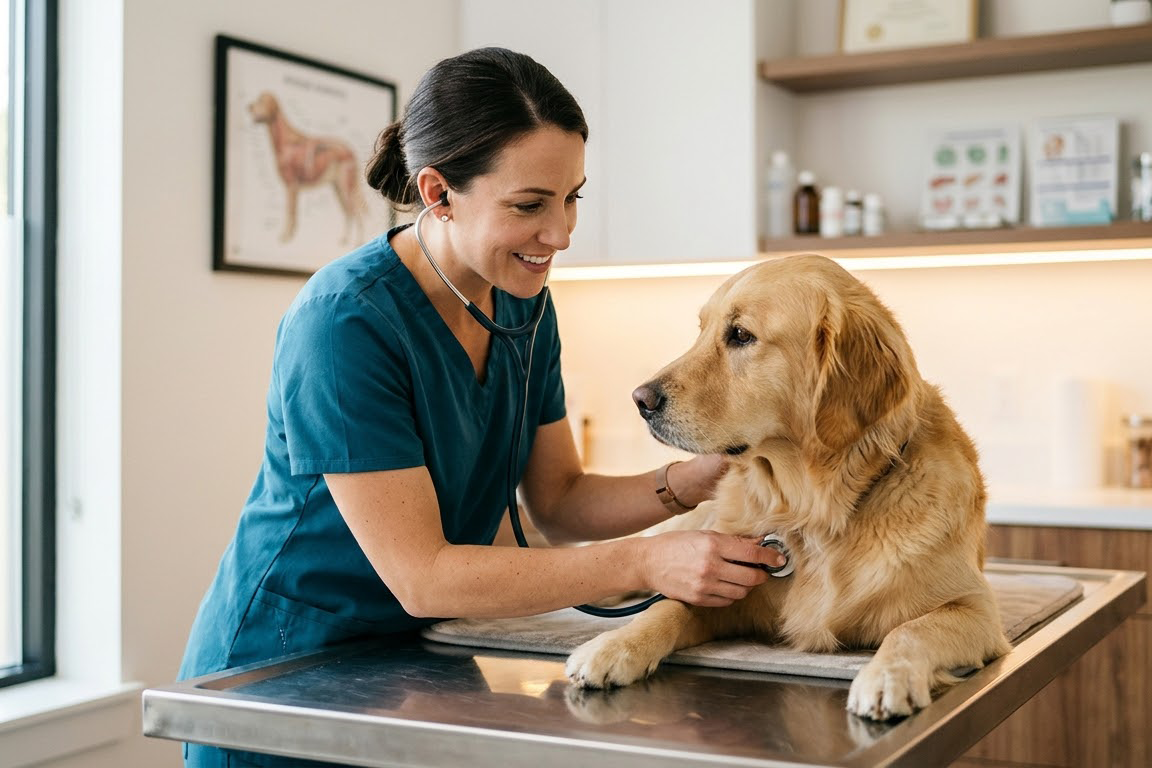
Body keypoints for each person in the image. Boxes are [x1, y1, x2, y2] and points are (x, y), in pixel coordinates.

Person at [179, 46, 783, 768]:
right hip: (287, 671)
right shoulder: (344, 323)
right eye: (530, 205)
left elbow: (559, 500)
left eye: (572, 198)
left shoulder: (525, 305)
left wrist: (692, 480)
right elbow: (423, 575)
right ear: (438, 192)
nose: (560, 233)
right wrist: (649, 563)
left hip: (416, 657)